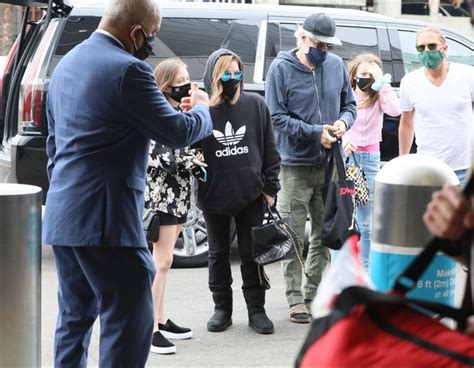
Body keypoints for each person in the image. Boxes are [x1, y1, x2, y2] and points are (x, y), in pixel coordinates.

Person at [42, 0, 212, 366]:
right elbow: (176, 130)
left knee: (74, 317)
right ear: (136, 32)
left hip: (63, 214)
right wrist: (202, 108)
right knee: (130, 317)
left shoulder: (66, 64)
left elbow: (53, 148)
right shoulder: (128, 71)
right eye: (151, 35)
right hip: (107, 219)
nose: (151, 43)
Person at [265, 13, 356, 324]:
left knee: (324, 233)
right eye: (319, 44)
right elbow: (276, 117)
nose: (324, 50)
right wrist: (316, 131)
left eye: (329, 46)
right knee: (291, 234)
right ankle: (293, 299)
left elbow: (350, 105)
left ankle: (311, 294)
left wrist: (343, 123)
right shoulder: (280, 68)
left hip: (330, 164)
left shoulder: (335, 66)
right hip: (293, 165)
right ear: (302, 37)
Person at [199, 48, 281, 334]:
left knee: (252, 254)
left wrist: (271, 187)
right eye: (226, 74)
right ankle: (222, 309)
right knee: (218, 254)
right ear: (213, 75)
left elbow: (271, 149)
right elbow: (191, 151)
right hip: (214, 196)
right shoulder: (203, 110)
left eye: (237, 73)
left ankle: (256, 310)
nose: (233, 78)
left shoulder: (256, 105)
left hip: (251, 195)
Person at [145, 58, 206, 354]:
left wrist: (192, 160)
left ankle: (159, 318)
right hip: (161, 197)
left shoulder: (172, 111)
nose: (187, 85)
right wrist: (191, 160)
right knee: (162, 262)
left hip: (176, 196)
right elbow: (161, 157)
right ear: (167, 84)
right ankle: (150, 328)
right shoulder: (157, 114)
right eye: (182, 80)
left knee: (164, 261)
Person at [343, 53, 401, 271]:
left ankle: (365, 270)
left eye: (370, 74)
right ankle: (344, 268)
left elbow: (395, 111)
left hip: (369, 160)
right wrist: (345, 142)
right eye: (362, 74)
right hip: (349, 158)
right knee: (345, 217)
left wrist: (382, 83)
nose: (365, 78)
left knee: (367, 221)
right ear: (354, 75)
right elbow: (338, 122)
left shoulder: (378, 96)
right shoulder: (347, 95)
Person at [399, 26, 474, 187]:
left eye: (431, 46)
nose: (426, 51)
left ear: (444, 49)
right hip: (428, 170)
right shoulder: (410, 82)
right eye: (421, 48)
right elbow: (406, 124)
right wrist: (401, 164)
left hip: (465, 170)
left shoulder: (467, 75)